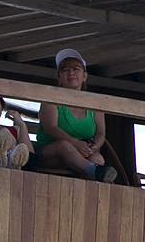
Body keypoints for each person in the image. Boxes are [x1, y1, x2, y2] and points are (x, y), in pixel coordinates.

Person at [35, 48, 117, 183]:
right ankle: (94, 172)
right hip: (50, 152)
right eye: (65, 70)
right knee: (64, 146)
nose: (71, 73)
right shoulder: (50, 99)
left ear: (85, 76)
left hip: (81, 153)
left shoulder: (95, 104)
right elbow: (51, 128)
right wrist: (76, 144)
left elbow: (101, 133)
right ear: (59, 77)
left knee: (98, 159)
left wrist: (93, 147)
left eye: (76, 69)